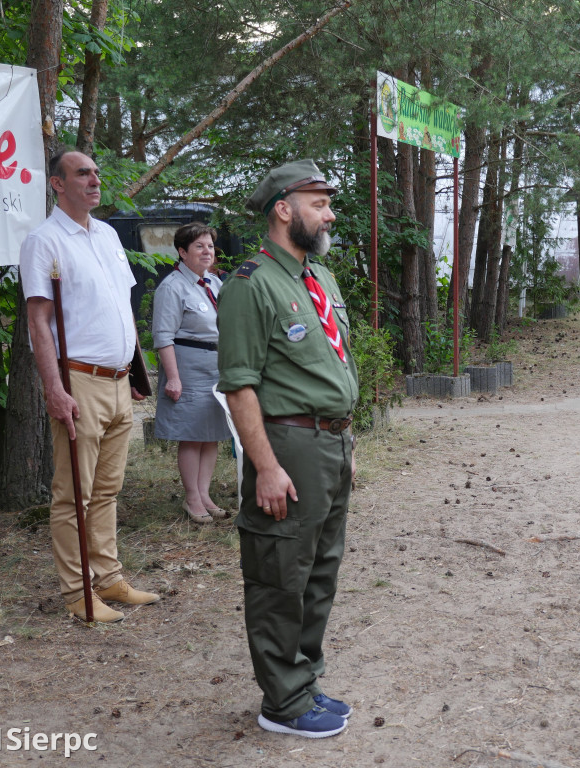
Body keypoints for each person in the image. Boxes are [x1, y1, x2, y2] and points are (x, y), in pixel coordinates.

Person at [217, 160, 359, 739]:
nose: (328, 214)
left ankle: (303, 681)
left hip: (332, 443)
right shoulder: (250, 285)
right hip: (289, 445)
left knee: (320, 568)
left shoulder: (317, 277)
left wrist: (347, 440)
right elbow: (240, 386)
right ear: (284, 208)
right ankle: (282, 702)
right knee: (280, 572)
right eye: (318, 203)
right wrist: (267, 468)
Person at [20, 148, 160, 624]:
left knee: (107, 489)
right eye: (83, 173)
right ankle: (78, 593)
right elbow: (38, 323)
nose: (94, 180)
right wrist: (55, 388)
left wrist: (137, 370)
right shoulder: (43, 241)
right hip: (79, 381)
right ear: (58, 184)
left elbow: (121, 307)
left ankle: (108, 577)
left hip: (119, 382)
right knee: (73, 493)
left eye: (96, 173)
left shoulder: (107, 235)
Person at [152, 222, 233, 524]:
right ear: (182, 252)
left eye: (210, 246)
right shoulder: (172, 286)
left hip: (214, 367)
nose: (207, 251)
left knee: (210, 434)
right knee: (191, 435)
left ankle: (205, 494)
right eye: (199, 246)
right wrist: (173, 377)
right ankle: (191, 498)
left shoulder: (214, 283)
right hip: (187, 367)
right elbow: (163, 336)